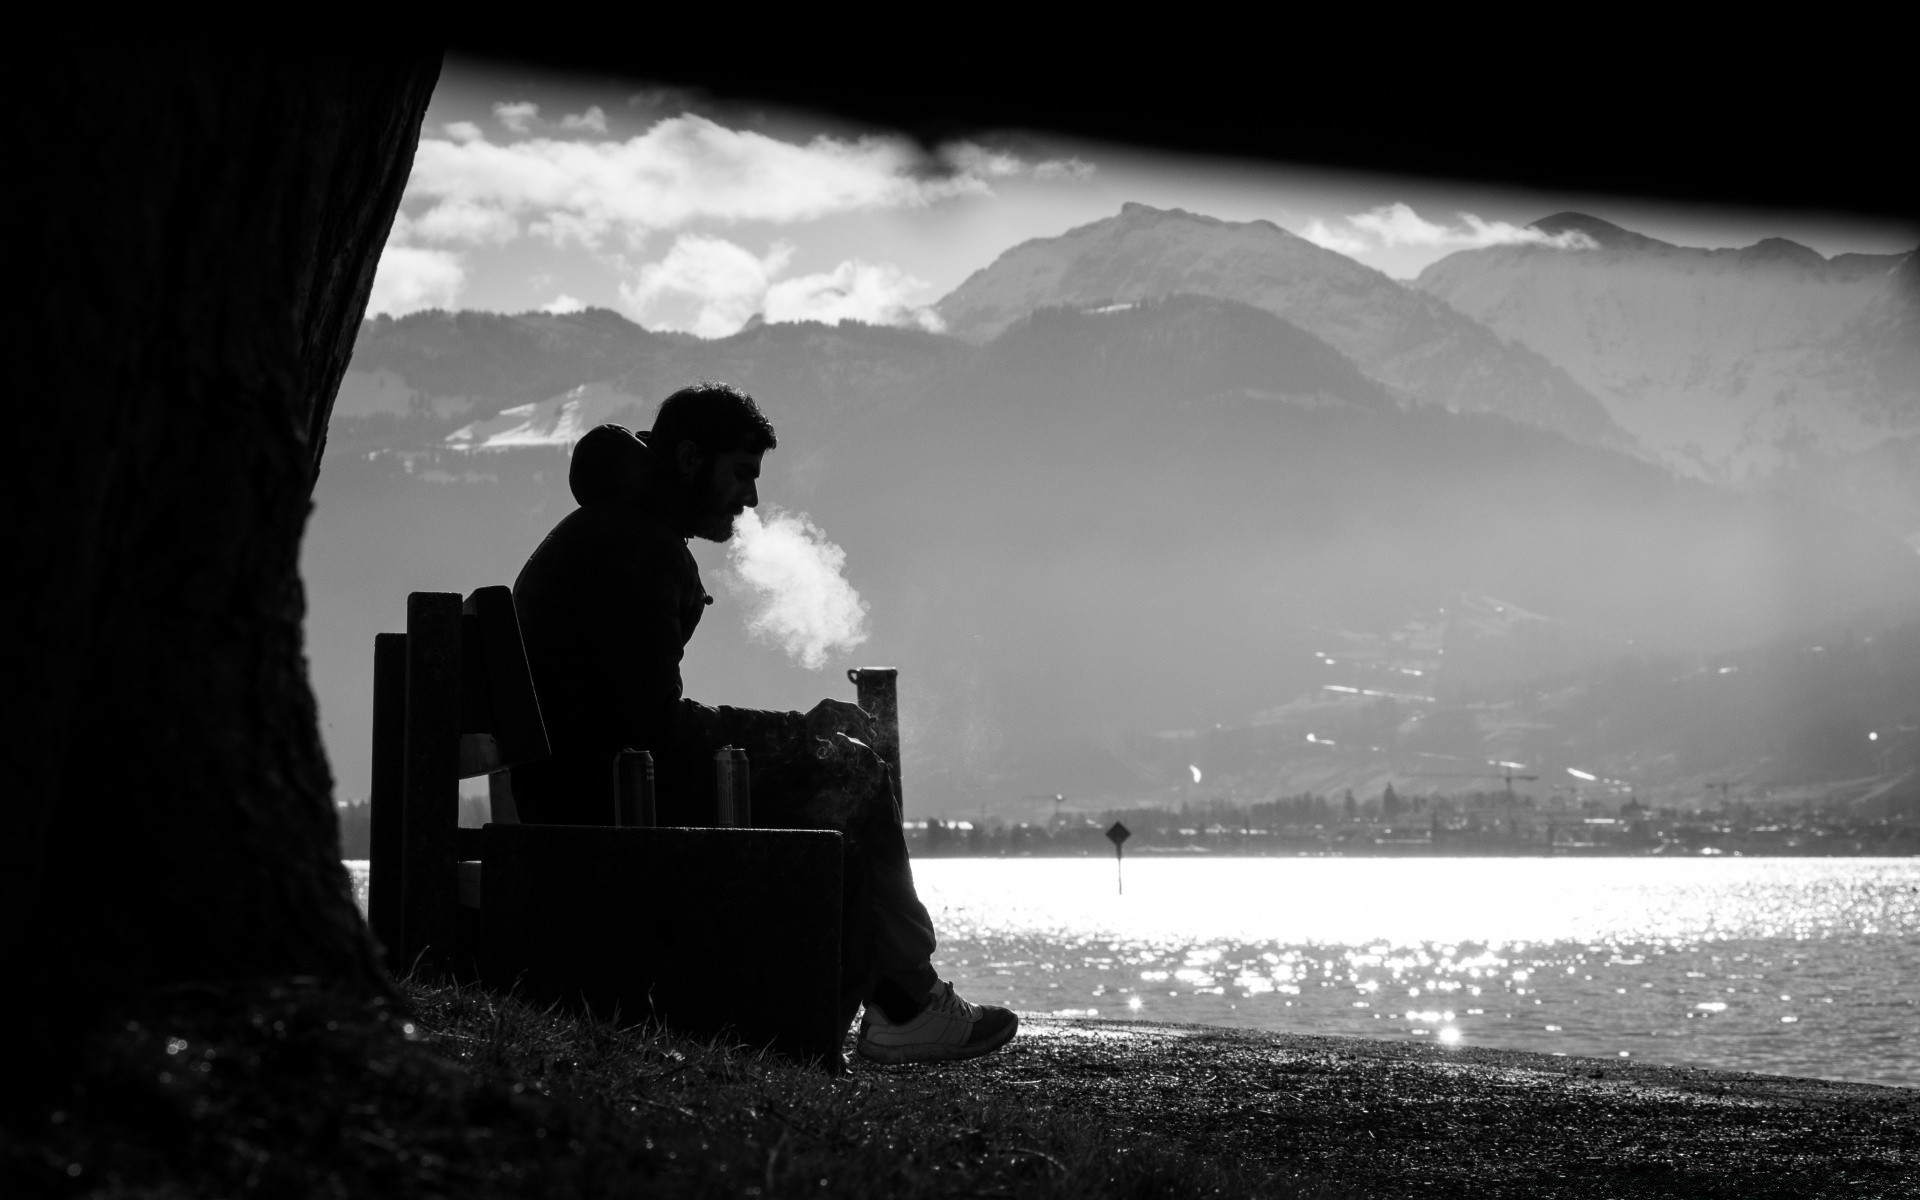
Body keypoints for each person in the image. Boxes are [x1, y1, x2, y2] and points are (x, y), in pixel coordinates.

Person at [509, 381, 1017, 1064]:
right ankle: (906, 1005)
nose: (749, 498)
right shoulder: (642, 548)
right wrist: (795, 735)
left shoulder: (610, 533)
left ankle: (897, 1000)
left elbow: (637, 718)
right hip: (607, 807)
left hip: (575, 795)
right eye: (742, 473)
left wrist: (786, 734)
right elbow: (654, 730)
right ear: (690, 459)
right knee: (854, 772)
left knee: (835, 770)